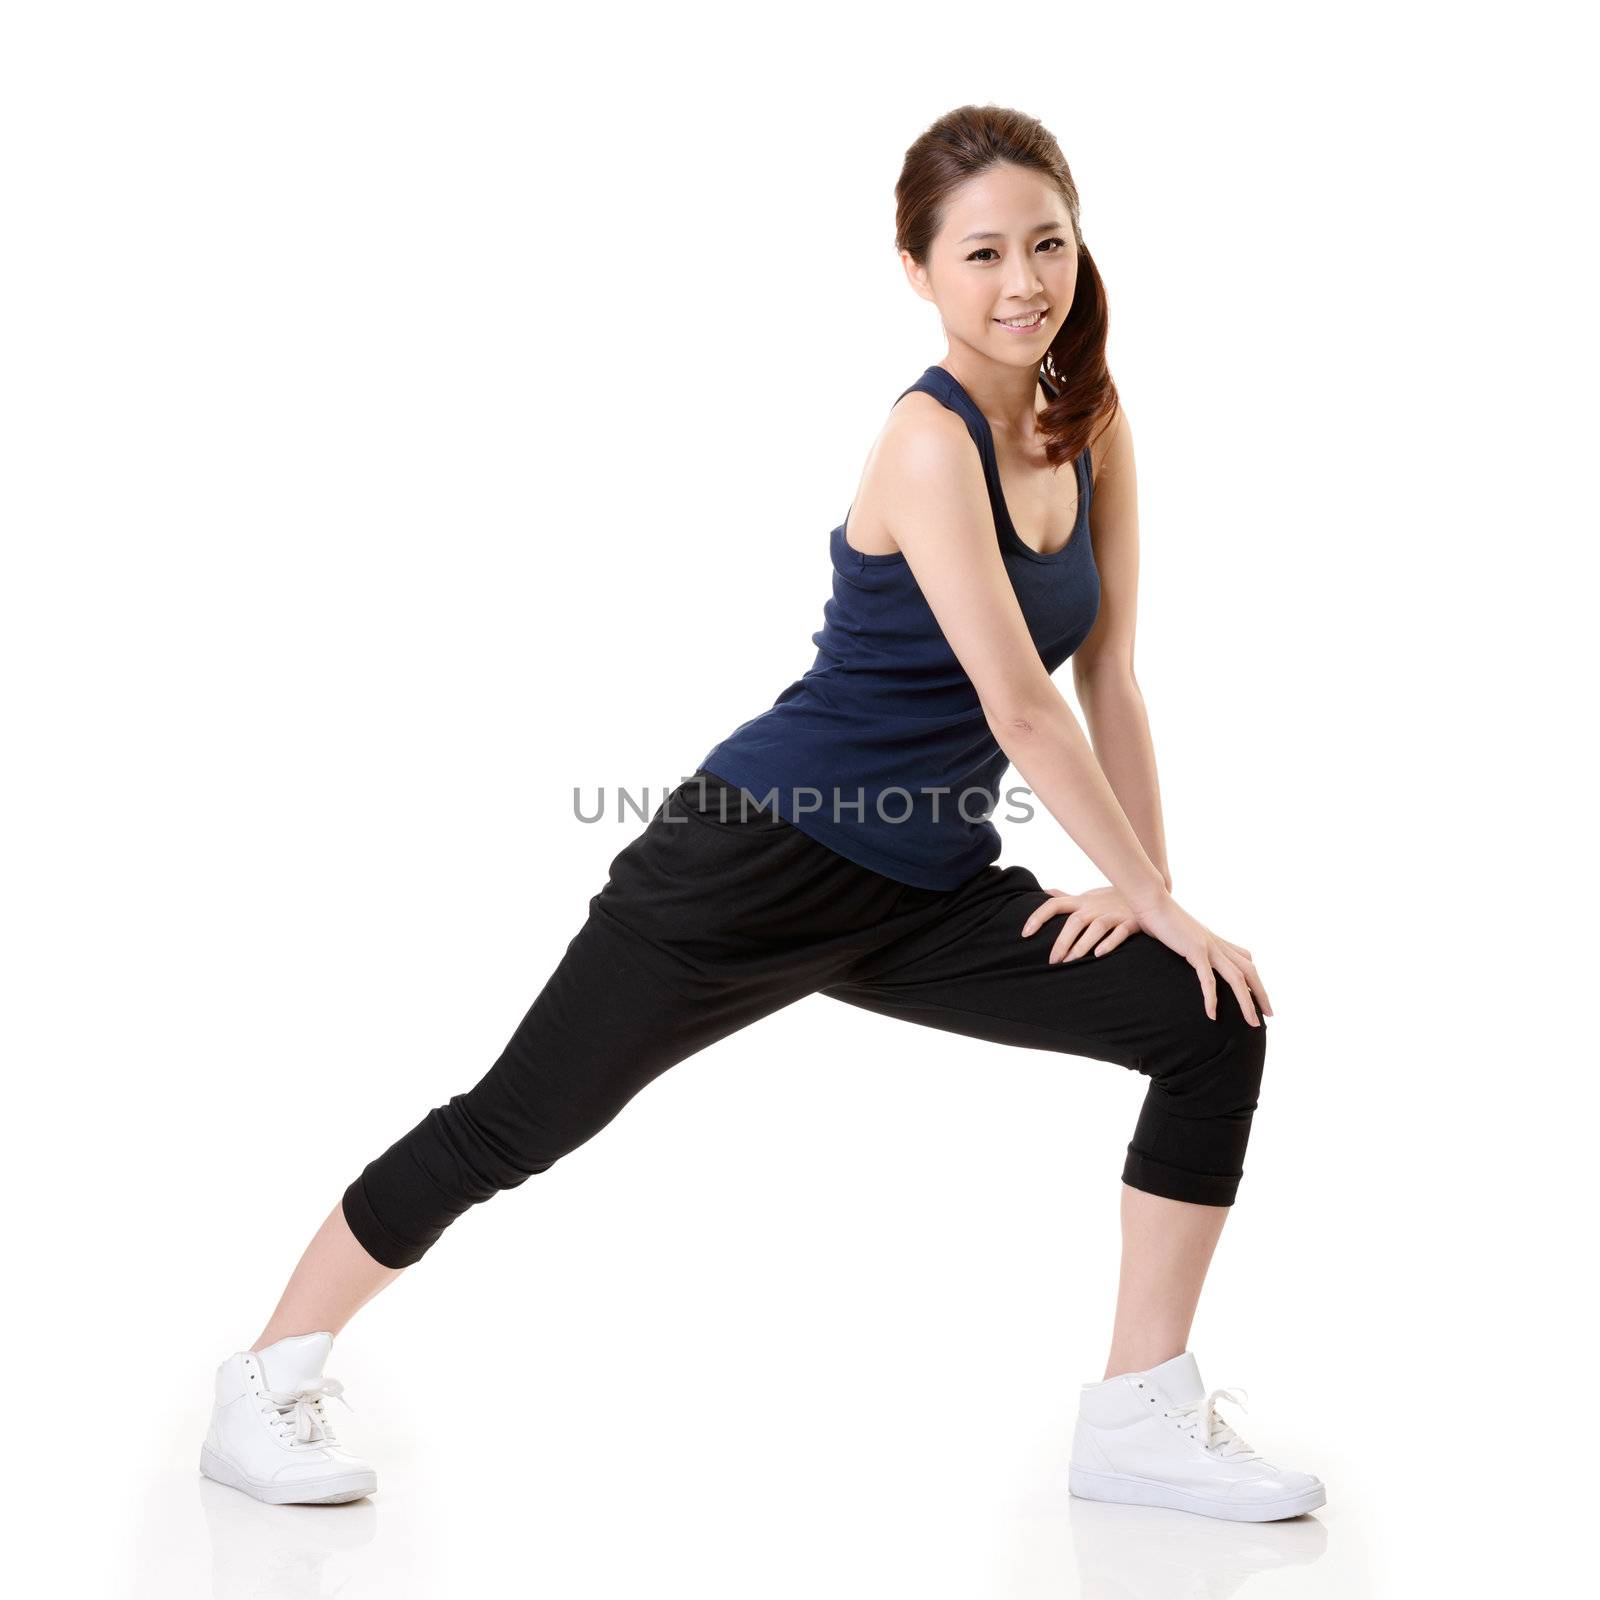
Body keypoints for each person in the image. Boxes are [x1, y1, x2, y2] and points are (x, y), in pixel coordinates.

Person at [199, 103, 1325, 1524]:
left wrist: (1145, 883)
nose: (1023, 280)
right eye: (982, 253)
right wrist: (1155, 892)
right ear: (918, 269)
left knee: (1205, 1019)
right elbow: (1020, 710)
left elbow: (1109, 674)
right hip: (751, 860)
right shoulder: (926, 441)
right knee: (514, 1127)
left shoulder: (1091, 429)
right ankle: (266, 1376)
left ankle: (1141, 1416)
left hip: (927, 879)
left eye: (1048, 241)